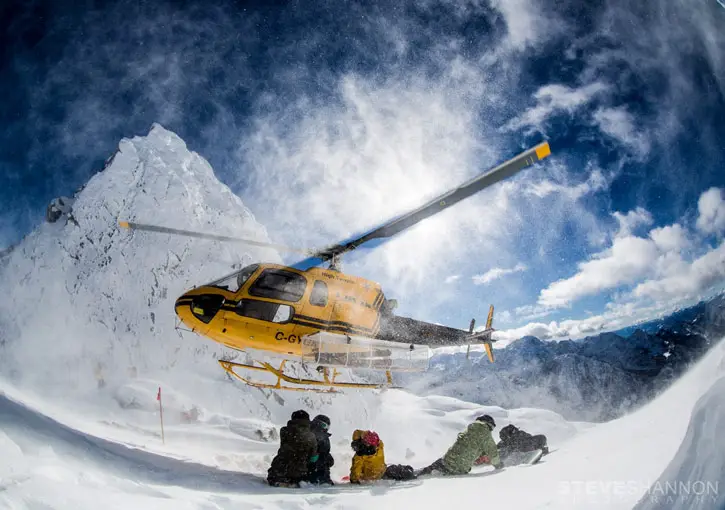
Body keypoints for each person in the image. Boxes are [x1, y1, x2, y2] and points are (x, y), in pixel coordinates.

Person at [417, 414, 502, 476]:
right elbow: (493, 452)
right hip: (461, 469)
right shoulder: (486, 434)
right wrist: (498, 465)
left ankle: (419, 474)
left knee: (431, 468)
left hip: (447, 461)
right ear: (489, 424)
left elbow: (466, 446)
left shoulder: (469, 430)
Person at [267, 410, 318, 488]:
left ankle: (280, 480)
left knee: (279, 467)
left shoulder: (284, 430)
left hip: (279, 469)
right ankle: (294, 481)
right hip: (299, 473)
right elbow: (312, 457)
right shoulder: (311, 436)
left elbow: (285, 447)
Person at [305, 414, 335, 485]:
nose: (327, 428)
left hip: (300, 471)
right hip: (313, 474)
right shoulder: (322, 437)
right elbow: (324, 457)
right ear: (320, 424)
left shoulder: (306, 430)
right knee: (326, 459)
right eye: (325, 426)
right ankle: (322, 479)